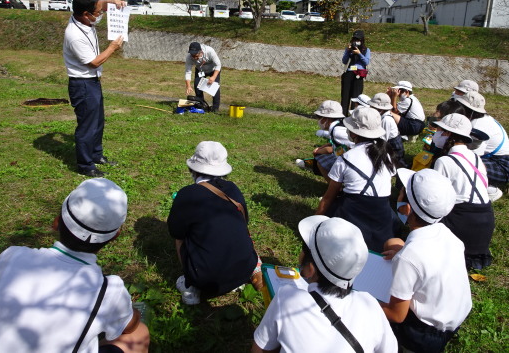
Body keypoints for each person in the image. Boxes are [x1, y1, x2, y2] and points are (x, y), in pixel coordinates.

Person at [0, 178, 150, 353]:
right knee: (139, 334)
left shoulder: (11, 256)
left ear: (56, 222)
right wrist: (131, 312)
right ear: (114, 237)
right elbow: (128, 327)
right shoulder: (109, 290)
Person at [252, 215, 397, 353]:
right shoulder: (371, 305)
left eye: (303, 250)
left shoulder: (286, 299)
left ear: (310, 270)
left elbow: (261, 349)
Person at [381, 168, 472, 353]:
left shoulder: (410, 257)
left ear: (406, 209)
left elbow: (396, 315)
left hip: (421, 335)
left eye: (400, 192)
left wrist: (362, 300)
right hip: (451, 320)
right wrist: (400, 252)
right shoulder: (448, 236)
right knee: (394, 243)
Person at [167, 141, 261, 305]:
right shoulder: (233, 188)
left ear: (192, 169)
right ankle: (252, 270)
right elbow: (244, 221)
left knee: (181, 238)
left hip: (206, 280)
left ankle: (191, 285)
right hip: (244, 268)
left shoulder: (187, 194)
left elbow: (176, 232)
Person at [63, 0, 126, 177]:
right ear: (85, 14)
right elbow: (94, 62)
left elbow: (99, 4)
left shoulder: (80, 15)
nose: (100, 14)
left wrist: (113, 1)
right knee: (87, 126)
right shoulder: (74, 34)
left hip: (93, 82)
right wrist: (113, 47)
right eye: (98, 13)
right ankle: (85, 165)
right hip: (82, 84)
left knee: (98, 122)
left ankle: (96, 155)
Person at [316, 106, 397, 252]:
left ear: (353, 132)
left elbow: (328, 197)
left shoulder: (346, 158)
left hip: (354, 211)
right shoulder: (386, 154)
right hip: (382, 215)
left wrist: (314, 222)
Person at [431, 113, 495, 269]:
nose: (437, 134)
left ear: (447, 134)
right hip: (486, 221)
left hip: (461, 221)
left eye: (439, 130)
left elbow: (438, 198)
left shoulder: (444, 161)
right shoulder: (476, 158)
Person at [454, 91, 509, 202]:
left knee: (465, 165)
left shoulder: (478, 125)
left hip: (503, 166)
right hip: (495, 161)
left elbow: (474, 157)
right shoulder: (478, 120)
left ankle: (491, 190)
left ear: (467, 109)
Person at [295, 100, 354, 180]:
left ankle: (336, 188)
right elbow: (337, 144)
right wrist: (322, 148)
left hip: (354, 162)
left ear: (327, 119)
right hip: (350, 157)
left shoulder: (338, 132)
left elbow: (349, 147)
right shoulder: (338, 125)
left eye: (319, 117)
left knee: (321, 162)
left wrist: (318, 151)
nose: (318, 120)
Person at [368, 93, 407, 168]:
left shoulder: (386, 119)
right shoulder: (382, 116)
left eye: (372, 107)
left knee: (397, 165)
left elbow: (382, 140)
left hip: (394, 148)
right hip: (388, 144)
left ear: (380, 109)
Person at [340, 30, 371, 116]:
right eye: (354, 39)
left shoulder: (366, 50)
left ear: (362, 40)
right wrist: (348, 51)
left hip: (359, 74)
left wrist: (359, 53)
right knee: (345, 95)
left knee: (356, 96)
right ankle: (343, 115)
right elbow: (344, 61)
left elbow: (366, 62)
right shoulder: (349, 49)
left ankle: (353, 116)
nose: (356, 42)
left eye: (358, 40)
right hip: (349, 73)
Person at [185, 42, 222, 112]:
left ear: (200, 51)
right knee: (197, 85)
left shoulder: (210, 51)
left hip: (213, 69)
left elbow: (218, 65)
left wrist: (213, 77)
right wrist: (188, 86)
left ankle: (215, 108)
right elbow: (188, 72)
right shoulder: (189, 57)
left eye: (195, 55)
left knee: (215, 88)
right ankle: (201, 105)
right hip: (200, 70)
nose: (194, 57)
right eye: (192, 55)